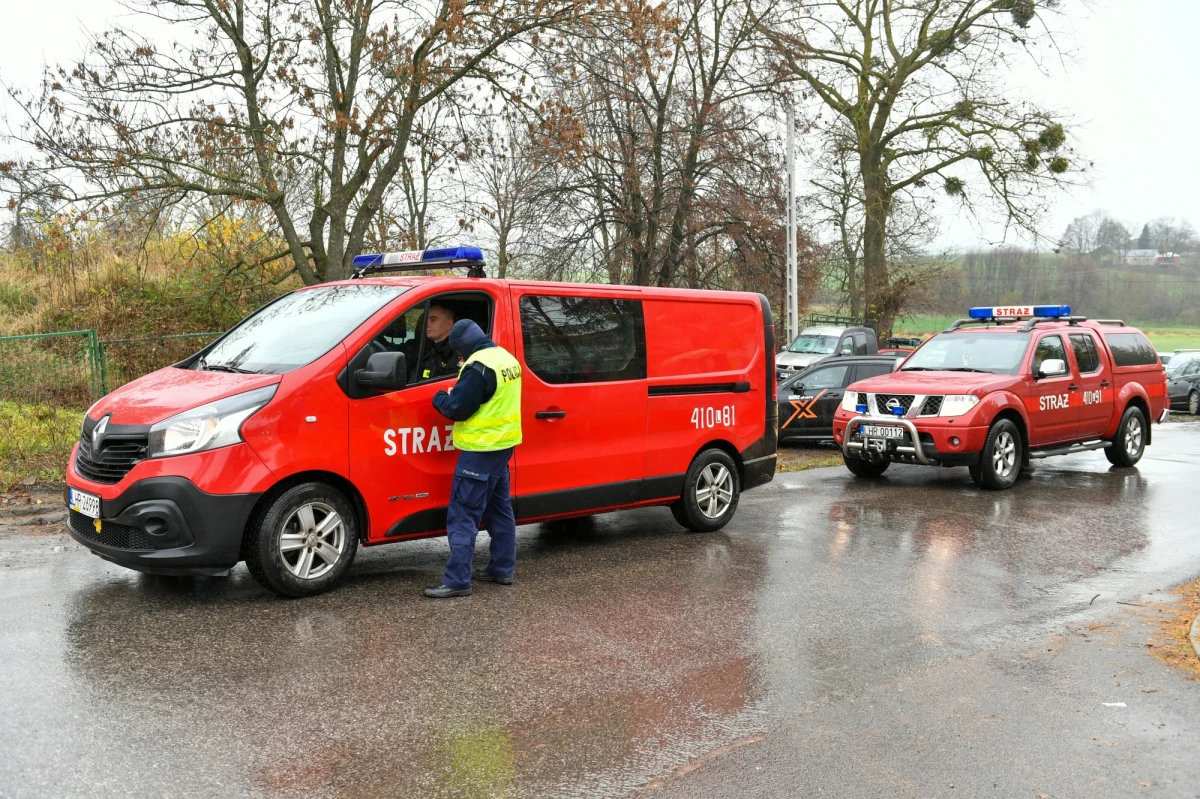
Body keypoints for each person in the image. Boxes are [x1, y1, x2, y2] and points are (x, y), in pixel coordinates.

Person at [424, 319, 523, 598]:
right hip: (502, 448)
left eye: (459, 352)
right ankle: (502, 569)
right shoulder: (506, 358)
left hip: (479, 451)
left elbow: (458, 408)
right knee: (500, 512)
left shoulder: (478, 367)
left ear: (463, 346)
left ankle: (457, 580)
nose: (460, 357)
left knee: (463, 515)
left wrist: (439, 397)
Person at [409, 302, 460, 383]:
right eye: (426, 320)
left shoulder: (455, 353)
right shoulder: (423, 348)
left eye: (433, 320)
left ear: (449, 324)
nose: (427, 324)